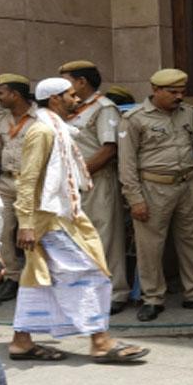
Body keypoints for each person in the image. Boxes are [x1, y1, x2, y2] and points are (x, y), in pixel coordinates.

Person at [9, 77, 148, 363]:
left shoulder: (57, 128)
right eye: (71, 95)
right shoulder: (42, 132)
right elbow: (28, 179)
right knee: (88, 273)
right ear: (55, 99)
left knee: (38, 278)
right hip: (47, 220)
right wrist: (25, 223)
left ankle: (22, 341)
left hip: (60, 215)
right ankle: (100, 341)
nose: (77, 99)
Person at [118, 68, 193, 321]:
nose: (179, 96)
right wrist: (135, 199)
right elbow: (126, 164)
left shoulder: (188, 113)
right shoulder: (135, 119)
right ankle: (153, 298)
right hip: (153, 187)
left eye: (182, 92)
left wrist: (190, 169)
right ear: (155, 90)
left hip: (188, 185)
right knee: (150, 246)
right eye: (173, 92)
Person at [59, 60, 129, 315]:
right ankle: (87, 291)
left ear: (81, 82)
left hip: (96, 182)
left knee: (105, 237)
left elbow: (108, 149)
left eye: (67, 81)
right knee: (78, 239)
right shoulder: (70, 109)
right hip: (73, 183)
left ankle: (115, 292)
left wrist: (78, 174)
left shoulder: (104, 108)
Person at [0, 74, 37, 302]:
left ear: (15, 94)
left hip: (30, 183)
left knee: (32, 232)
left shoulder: (39, 119)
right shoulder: (2, 119)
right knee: (4, 232)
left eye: (1, 92)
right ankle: (12, 277)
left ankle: (35, 278)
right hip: (5, 181)